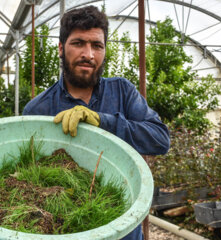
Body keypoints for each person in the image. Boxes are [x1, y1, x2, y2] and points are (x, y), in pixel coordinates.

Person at [23, 5, 170, 240]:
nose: (88, 54)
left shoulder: (122, 91)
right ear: (61, 48)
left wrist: (105, 122)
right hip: (67, 228)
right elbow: (28, 180)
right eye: (78, 43)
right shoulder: (38, 110)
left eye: (97, 46)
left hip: (124, 230)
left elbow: (160, 139)